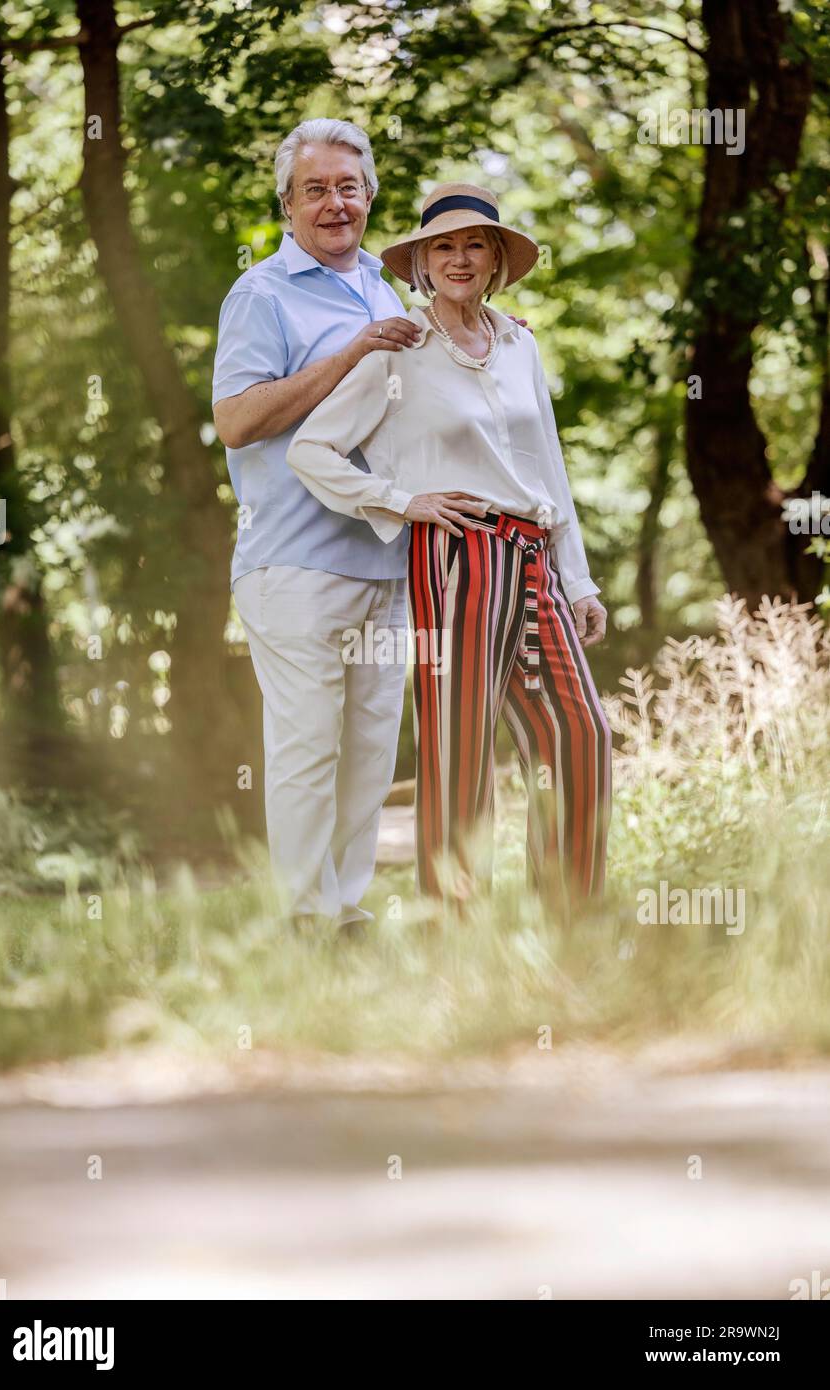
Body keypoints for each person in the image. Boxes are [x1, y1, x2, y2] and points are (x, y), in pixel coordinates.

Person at [287, 183, 612, 902]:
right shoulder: (397, 350)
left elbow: (548, 466)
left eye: (475, 244)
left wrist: (578, 580)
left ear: (496, 259)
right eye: (444, 246)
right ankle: (456, 943)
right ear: (422, 265)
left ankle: (572, 928)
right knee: (458, 750)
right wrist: (403, 503)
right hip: (455, 555)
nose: (460, 258)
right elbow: (311, 450)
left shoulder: (519, 342)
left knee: (580, 734)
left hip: (533, 558)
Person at [212, 118, 424, 932]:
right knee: (308, 749)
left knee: (369, 752)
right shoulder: (261, 292)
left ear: (369, 194)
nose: (333, 203)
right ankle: (302, 922)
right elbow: (235, 421)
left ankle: (345, 911)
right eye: (315, 190)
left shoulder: (385, 285)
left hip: (385, 556)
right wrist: (348, 354)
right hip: (293, 564)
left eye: (347, 187)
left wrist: (493, 341)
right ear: (287, 203)